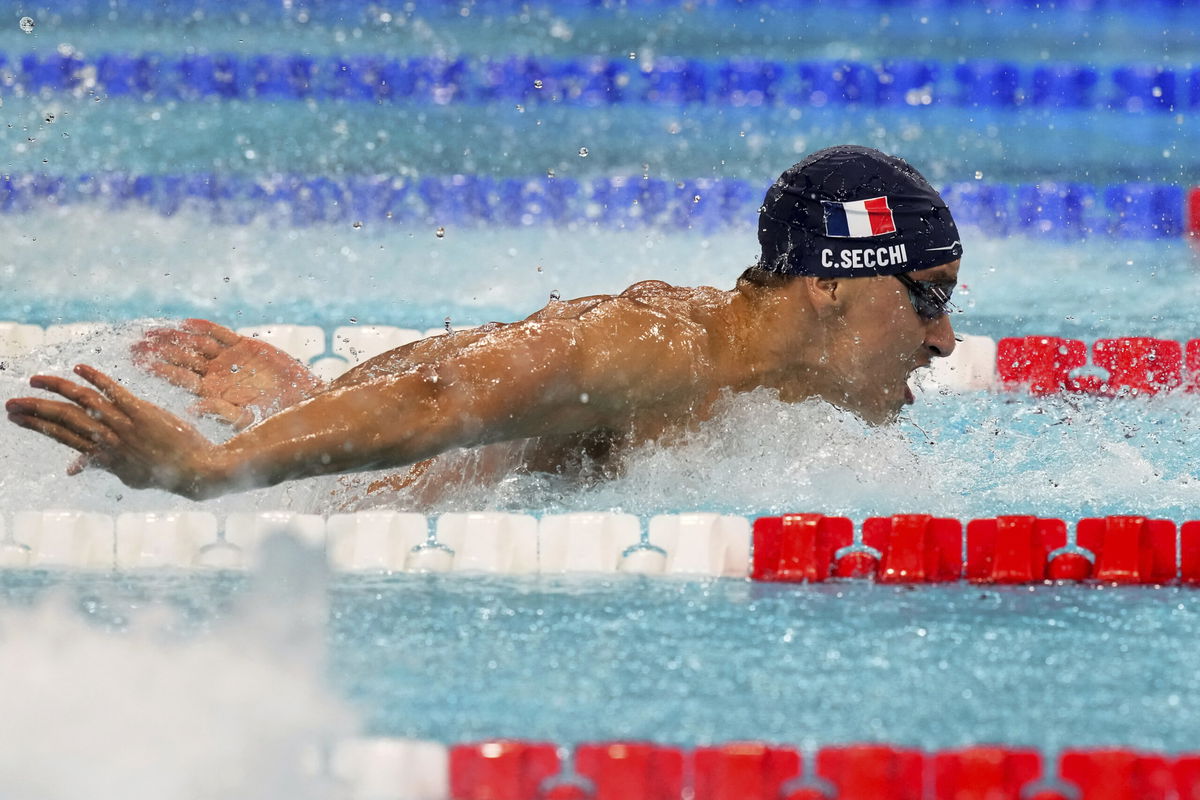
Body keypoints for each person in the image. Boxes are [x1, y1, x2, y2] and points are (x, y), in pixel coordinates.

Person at [5, 145, 962, 501]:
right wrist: (214, 467)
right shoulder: (666, 348)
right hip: (342, 509)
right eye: (927, 293)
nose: (943, 338)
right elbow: (443, 394)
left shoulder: (772, 386)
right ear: (833, 282)